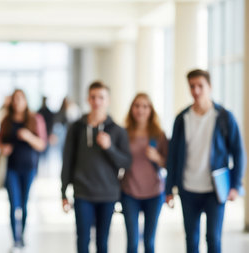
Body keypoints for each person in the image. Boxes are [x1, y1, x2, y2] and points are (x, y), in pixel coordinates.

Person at [165, 69, 246, 253]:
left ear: (209, 87)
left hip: (215, 190)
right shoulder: (182, 118)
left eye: (200, 86)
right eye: (192, 86)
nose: (196, 91)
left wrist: (235, 185)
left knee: (213, 238)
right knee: (191, 239)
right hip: (188, 189)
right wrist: (169, 189)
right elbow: (173, 156)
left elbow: (239, 153)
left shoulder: (224, 117)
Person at [61, 81, 132, 253]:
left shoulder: (117, 130)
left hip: (108, 194)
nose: (97, 101)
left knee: (102, 241)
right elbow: (67, 161)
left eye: (101, 97)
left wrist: (109, 147)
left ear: (108, 100)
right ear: (88, 99)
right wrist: (63, 192)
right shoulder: (76, 128)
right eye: (93, 97)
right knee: (82, 239)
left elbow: (126, 162)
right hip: (82, 193)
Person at [0, 89, 47, 250]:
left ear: (26, 101)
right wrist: (3, 147)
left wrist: (28, 136)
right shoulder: (6, 120)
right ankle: (15, 239)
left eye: (20, 98)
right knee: (13, 203)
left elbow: (42, 144)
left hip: (28, 168)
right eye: (15, 99)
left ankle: (22, 235)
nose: (17, 102)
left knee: (24, 204)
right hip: (11, 168)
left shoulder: (35, 119)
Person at [121, 93, 168, 253]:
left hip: (154, 193)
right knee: (133, 242)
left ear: (151, 110)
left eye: (145, 106)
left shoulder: (158, 135)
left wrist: (157, 157)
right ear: (131, 109)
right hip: (129, 192)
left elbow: (168, 164)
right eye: (137, 106)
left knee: (149, 242)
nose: (140, 110)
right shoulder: (124, 134)